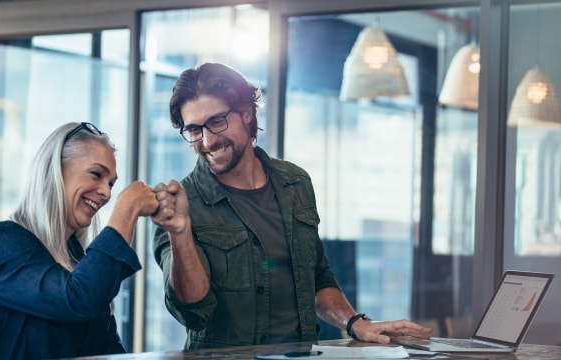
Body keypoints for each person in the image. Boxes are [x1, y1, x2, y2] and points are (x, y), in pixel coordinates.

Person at [151, 62, 432, 349]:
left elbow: (316, 276)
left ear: (247, 114)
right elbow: (192, 312)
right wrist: (180, 234)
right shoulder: (179, 207)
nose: (207, 140)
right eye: (195, 130)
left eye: (217, 121)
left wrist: (355, 322)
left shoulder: (295, 183)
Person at [0, 122, 159, 359]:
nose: (106, 193)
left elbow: (108, 349)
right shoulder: (0, 243)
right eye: (96, 174)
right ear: (54, 170)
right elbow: (78, 299)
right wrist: (127, 209)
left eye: (111, 184)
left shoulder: (77, 261)